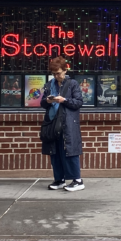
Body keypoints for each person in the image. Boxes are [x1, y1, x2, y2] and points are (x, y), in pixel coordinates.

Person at [42, 56, 85, 192]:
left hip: (68, 122)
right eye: (54, 73)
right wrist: (47, 101)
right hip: (53, 122)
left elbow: (78, 102)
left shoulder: (72, 84)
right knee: (54, 151)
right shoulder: (50, 85)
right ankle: (59, 179)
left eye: (59, 73)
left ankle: (77, 180)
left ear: (65, 71)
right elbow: (42, 103)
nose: (56, 76)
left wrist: (64, 100)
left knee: (70, 150)